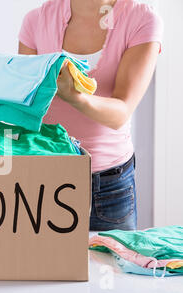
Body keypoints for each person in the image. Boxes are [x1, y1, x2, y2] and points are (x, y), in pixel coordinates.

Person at [18, 0, 163, 231]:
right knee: (44, 266)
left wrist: (75, 96)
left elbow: (121, 113)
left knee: (111, 267)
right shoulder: (37, 20)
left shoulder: (141, 19)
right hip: (43, 179)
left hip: (107, 185)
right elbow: (27, 105)